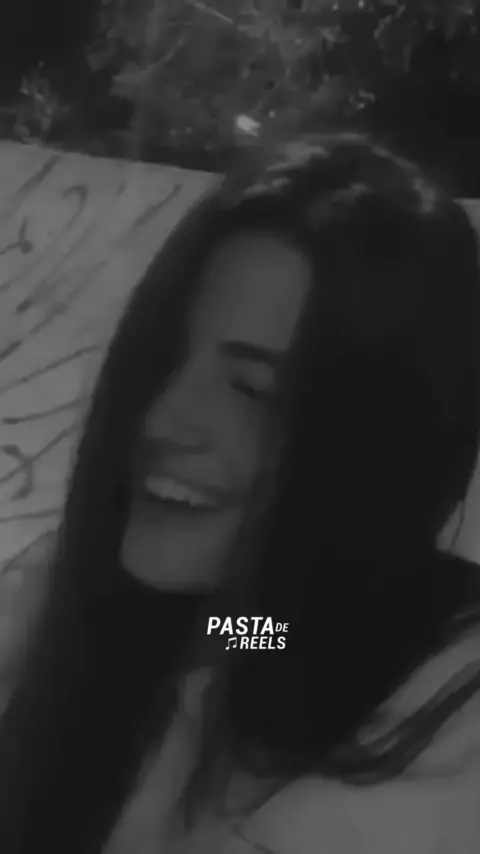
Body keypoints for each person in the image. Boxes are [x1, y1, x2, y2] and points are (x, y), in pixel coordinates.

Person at [1, 131, 480, 854]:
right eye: (164, 355)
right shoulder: (105, 603)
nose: (161, 417)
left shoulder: (444, 690)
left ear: (383, 446)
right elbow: (253, 633)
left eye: (252, 390)